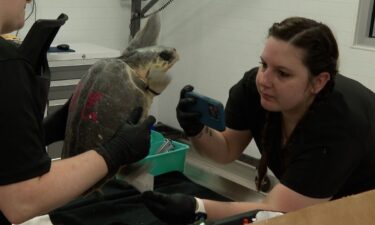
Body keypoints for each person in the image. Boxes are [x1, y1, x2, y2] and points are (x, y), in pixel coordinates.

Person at [141, 16, 375, 224]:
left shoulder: (338, 126)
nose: (265, 79)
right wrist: (197, 130)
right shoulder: (255, 90)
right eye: (264, 65)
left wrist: (198, 208)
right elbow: (227, 150)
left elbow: (277, 212)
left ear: (318, 82)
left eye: (282, 73)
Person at [0, 0, 156, 224]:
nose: (28, 1)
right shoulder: (6, 62)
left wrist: (45, 131)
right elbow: (21, 201)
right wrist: (115, 152)